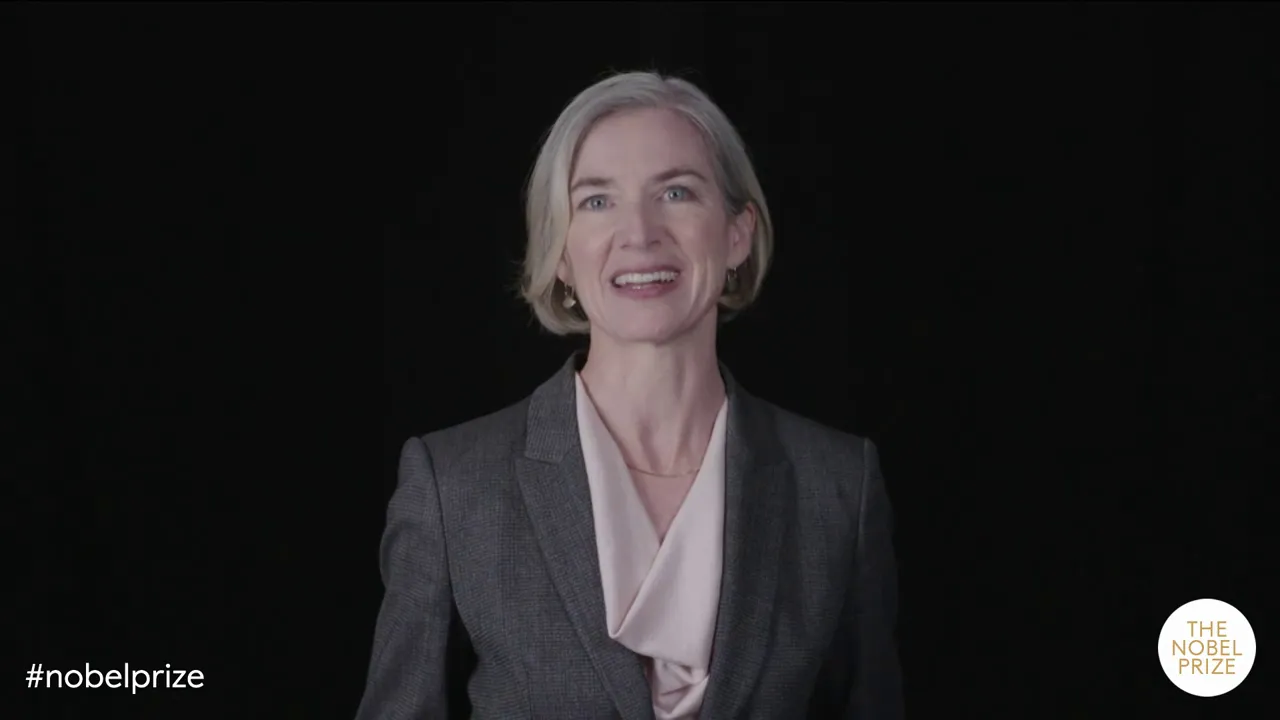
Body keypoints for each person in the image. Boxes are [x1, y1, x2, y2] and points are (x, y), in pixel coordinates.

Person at [355, 70, 902, 720]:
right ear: (560, 252)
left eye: (676, 192)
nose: (639, 233)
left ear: (737, 233)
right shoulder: (454, 486)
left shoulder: (839, 486)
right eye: (596, 201)